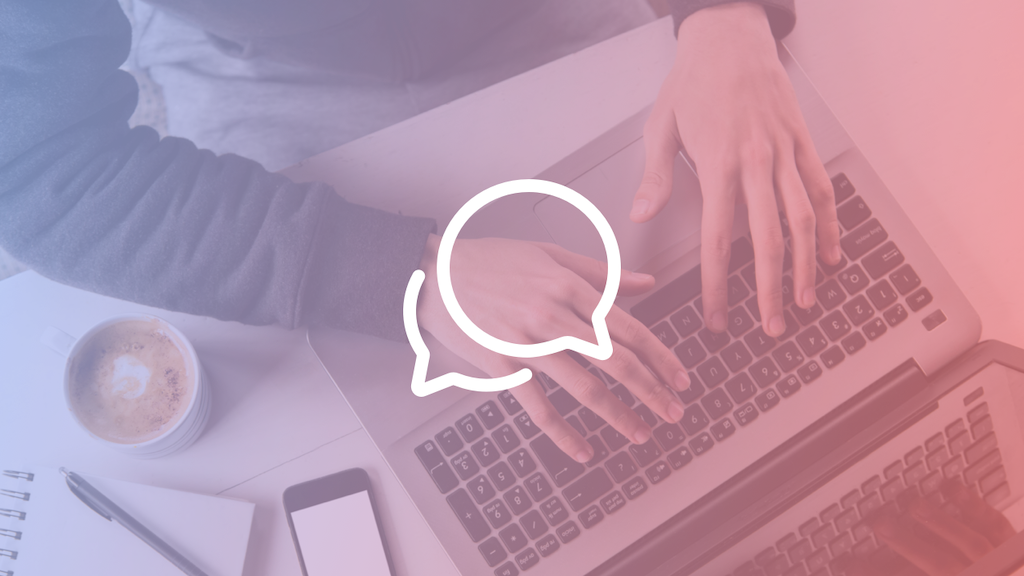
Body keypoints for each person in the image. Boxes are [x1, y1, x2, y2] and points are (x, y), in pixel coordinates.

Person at [0, 0, 840, 464]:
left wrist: (725, 15)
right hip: (271, 64)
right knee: (443, 450)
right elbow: (35, 169)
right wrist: (410, 275)